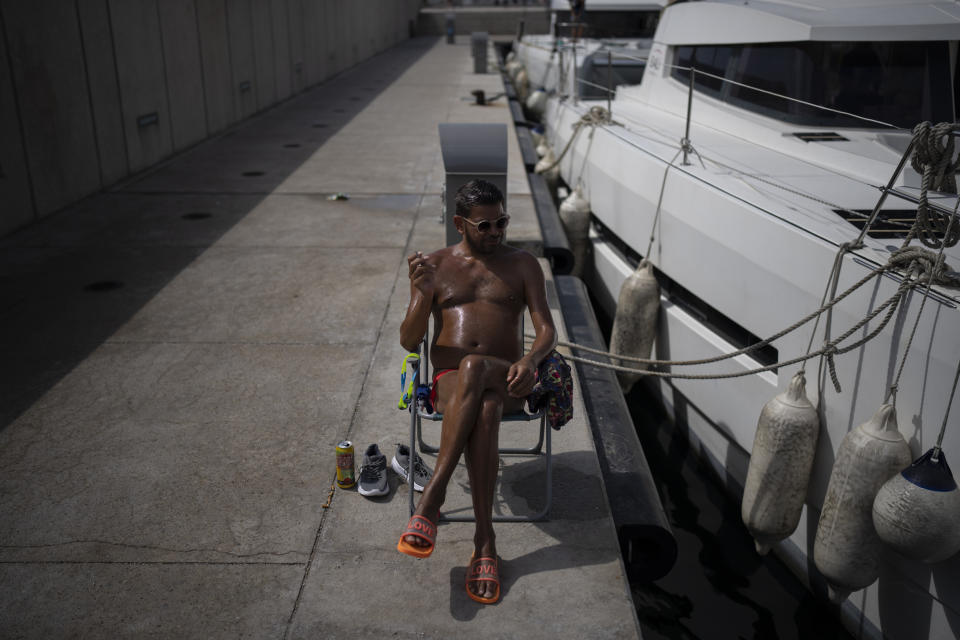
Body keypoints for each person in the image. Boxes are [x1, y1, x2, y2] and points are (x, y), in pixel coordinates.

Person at [396, 179, 558, 604]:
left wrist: (530, 361)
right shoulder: (433, 265)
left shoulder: (523, 264)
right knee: (481, 404)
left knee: (478, 371)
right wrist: (422, 296)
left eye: (501, 223)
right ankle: (485, 543)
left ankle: (433, 496)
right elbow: (409, 341)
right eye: (484, 226)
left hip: (509, 379)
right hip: (452, 386)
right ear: (459, 224)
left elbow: (546, 330)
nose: (495, 233)